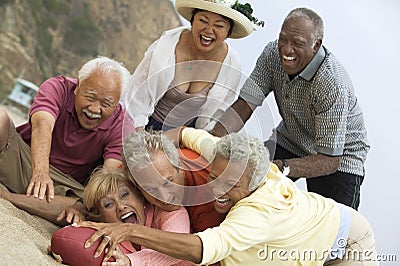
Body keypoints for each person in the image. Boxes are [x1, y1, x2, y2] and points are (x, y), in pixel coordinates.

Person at [76, 127, 377, 265]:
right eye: (214, 177)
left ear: (251, 185)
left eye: (230, 184)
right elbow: (184, 132)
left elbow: (201, 249)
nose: (218, 188)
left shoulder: (254, 211)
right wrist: (149, 154)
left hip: (345, 241)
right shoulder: (221, 157)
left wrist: (129, 229)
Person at [209, 7, 369, 210]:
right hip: (292, 139)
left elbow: (329, 160)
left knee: (332, 227)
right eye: (283, 39)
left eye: (298, 44)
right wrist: (212, 139)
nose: (286, 49)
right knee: (245, 185)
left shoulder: (331, 83)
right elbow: (244, 105)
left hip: (338, 158)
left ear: (316, 45)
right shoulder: (271, 54)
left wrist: (281, 167)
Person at [0, 56, 132, 225]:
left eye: (106, 103)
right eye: (90, 97)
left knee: (93, 205)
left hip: (64, 189)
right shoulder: (58, 87)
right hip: (23, 157)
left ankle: (8, 197)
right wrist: (41, 171)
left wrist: (81, 206)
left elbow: (108, 176)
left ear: (117, 103)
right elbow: (42, 124)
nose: (94, 109)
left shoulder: (122, 125)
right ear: (77, 86)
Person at [122, 0, 262, 131]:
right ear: (192, 20)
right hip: (142, 125)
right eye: (203, 20)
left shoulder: (231, 66)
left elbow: (217, 117)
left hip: (185, 137)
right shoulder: (165, 47)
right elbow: (136, 99)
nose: (209, 30)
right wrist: (137, 138)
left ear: (228, 32)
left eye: (219, 25)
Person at [51, 167, 192, 265]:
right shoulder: (107, 232)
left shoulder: (171, 212)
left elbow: (175, 251)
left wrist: (131, 262)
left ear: (140, 196)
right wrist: (73, 252)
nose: (120, 206)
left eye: (124, 195)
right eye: (108, 204)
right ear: (101, 217)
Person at [122, 129, 226, 233]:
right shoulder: (135, 168)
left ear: (179, 166)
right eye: (150, 189)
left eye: (168, 183)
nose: (164, 197)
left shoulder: (210, 202)